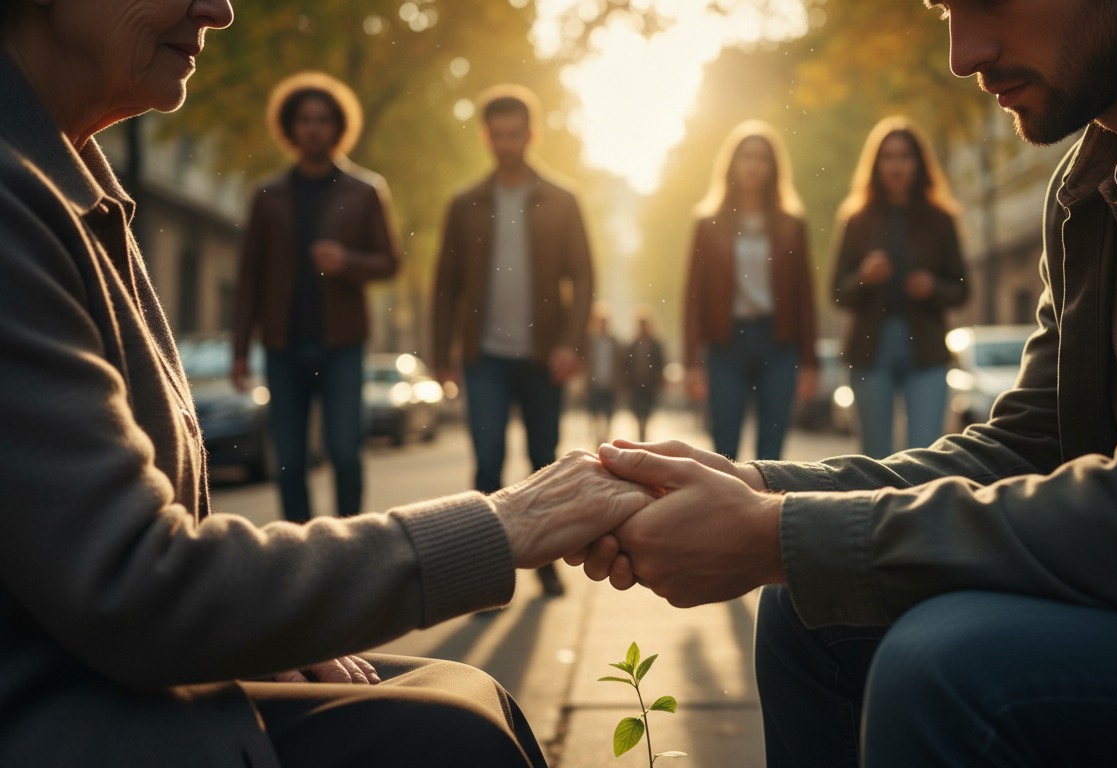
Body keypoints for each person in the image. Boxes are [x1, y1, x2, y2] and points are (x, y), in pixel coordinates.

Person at [570, 0, 1117, 766]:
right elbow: (1031, 444)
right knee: (809, 612)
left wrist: (772, 534)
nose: (961, 54)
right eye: (945, 10)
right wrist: (759, 488)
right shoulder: (1089, 178)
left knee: (945, 667)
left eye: (986, 1)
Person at [0, 2, 654, 765]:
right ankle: (323, 575)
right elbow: (133, 583)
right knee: (457, 738)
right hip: (61, 702)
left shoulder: (69, 179)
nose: (219, 7)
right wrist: (499, 526)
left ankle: (321, 574)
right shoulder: (29, 197)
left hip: (340, 359)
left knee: (470, 690)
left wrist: (267, 624)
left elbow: (523, 273)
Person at [432, 85, 593, 597]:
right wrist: (442, 359)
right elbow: (445, 286)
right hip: (485, 358)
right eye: (496, 135)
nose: (506, 144)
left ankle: (543, 559)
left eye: (514, 134)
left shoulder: (562, 200)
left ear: (531, 133)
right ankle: (485, 571)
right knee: (487, 459)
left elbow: (585, 278)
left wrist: (573, 343)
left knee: (544, 461)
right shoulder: (464, 204)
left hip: (545, 357)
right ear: (486, 137)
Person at [231, 72, 398, 522]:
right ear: (290, 126)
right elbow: (249, 277)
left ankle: (350, 547)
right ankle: (301, 557)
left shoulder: (365, 191)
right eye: (304, 119)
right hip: (282, 346)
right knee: (289, 461)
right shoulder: (267, 196)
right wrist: (240, 350)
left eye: (323, 119)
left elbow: (389, 262)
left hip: (342, 344)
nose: (313, 127)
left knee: (345, 453)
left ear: (338, 127)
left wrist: (348, 262)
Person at [832, 117, 968, 457]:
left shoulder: (941, 218)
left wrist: (932, 287)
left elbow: (963, 289)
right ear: (876, 164)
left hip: (927, 349)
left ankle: (917, 511)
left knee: (924, 456)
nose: (896, 165)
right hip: (869, 349)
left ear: (918, 163)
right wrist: (864, 276)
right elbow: (837, 292)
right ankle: (875, 512)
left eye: (904, 156)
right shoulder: (856, 218)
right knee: (873, 457)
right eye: (888, 156)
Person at [682, 121, 817, 461]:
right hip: (726, 343)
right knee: (723, 449)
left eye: (762, 158)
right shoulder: (707, 224)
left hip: (779, 343)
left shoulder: (792, 225)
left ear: (774, 168)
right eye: (746, 157)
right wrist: (691, 362)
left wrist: (810, 362)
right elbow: (693, 296)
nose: (753, 165)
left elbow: (805, 296)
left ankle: (765, 514)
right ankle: (725, 515)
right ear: (732, 165)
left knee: (771, 453)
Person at [625, 307, 666, 443]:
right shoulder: (633, 344)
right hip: (635, 384)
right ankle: (640, 432)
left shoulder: (655, 345)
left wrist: (661, 383)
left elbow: (661, 365)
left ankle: (644, 432)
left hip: (650, 384)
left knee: (647, 410)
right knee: (637, 410)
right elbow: (626, 366)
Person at [585, 302, 621, 448]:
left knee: (608, 412)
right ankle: (598, 436)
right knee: (595, 411)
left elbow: (619, 364)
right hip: (595, 382)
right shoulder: (592, 342)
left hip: (609, 383)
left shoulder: (614, 342)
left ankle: (605, 436)